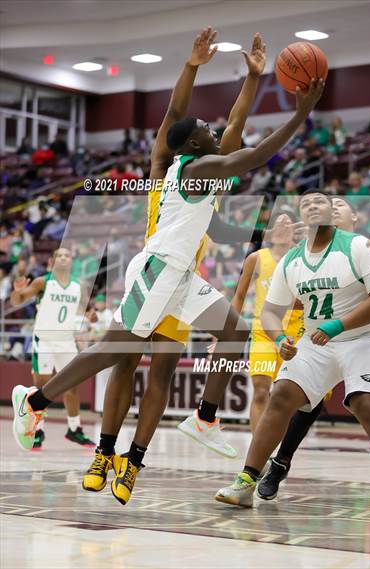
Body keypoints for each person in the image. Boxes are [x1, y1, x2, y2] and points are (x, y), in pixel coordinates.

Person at [11, 71, 324, 505]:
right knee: (114, 352)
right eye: (207, 130)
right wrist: (301, 114)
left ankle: (204, 417)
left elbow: (234, 125)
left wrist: (253, 76)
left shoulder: (203, 170)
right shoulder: (190, 169)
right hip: (157, 269)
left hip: (182, 276)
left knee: (233, 331)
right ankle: (37, 402)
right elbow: (247, 153)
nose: (216, 130)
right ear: (194, 144)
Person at [215, 190, 370, 517]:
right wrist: (279, 336)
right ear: (301, 216)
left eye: (320, 201)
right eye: (306, 203)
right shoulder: (292, 260)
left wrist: (338, 326)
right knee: (280, 394)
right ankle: (247, 481)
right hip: (316, 339)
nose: (313, 206)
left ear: (331, 211)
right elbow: (269, 311)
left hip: (363, 336)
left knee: (367, 405)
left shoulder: (356, 246)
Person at [258, 198, 370, 502]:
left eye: (340, 204)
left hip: (362, 335)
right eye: (329, 203)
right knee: (302, 403)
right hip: (314, 333)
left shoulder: (363, 246)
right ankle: (278, 464)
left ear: (355, 216)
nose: (333, 206)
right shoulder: (307, 251)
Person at [10, 248, 96, 449]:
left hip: (66, 341)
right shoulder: (42, 281)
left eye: (68, 255)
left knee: (72, 386)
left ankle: (74, 429)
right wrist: (17, 290)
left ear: (71, 261)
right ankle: (38, 430)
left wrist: (92, 317)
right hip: (45, 340)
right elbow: (18, 301)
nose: (64, 258)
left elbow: (86, 311)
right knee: (41, 388)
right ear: (52, 260)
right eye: (60, 255)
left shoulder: (79, 285)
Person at [231, 212, 304, 432]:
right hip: (263, 333)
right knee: (261, 390)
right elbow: (240, 296)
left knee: (288, 396)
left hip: (295, 334)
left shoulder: (303, 257)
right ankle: (257, 453)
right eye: (277, 224)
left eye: (287, 224)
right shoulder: (256, 258)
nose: (281, 227)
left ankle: (280, 452)